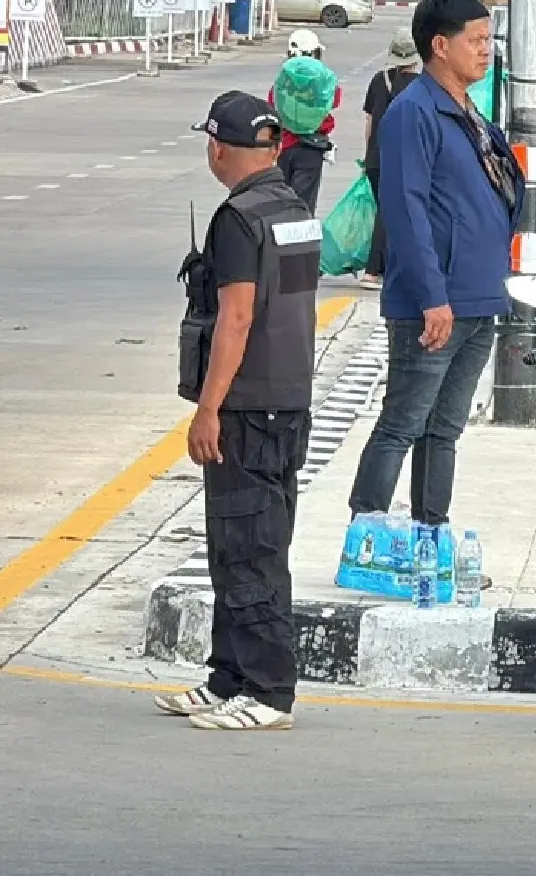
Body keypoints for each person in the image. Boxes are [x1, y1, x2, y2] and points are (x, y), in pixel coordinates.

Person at [153, 91, 319, 732]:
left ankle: (270, 690)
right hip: (287, 401)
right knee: (239, 544)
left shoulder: (239, 217)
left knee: (250, 550)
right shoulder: (292, 205)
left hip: (249, 406)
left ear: (218, 146)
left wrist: (208, 409)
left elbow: (238, 314)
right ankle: (230, 675)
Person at [349, 0, 524, 530]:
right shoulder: (413, 112)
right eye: (475, 41)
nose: (485, 50)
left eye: (488, 39)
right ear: (439, 45)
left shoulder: (471, 113)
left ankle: (431, 533)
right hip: (435, 301)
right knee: (403, 421)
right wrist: (432, 296)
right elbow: (405, 211)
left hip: (479, 296)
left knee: (444, 428)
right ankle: (367, 530)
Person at [359, 28, 423, 288]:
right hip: (402, 161)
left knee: (389, 211)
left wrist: (368, 157)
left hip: (376, 159)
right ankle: (372, 271)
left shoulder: (378, 80)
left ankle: (388, 268)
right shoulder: (421, 86)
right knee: (390, 213)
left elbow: (369, 123)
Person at [270, 30, 340, 212]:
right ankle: (300, 237)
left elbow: (273, 103)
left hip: (283, 146)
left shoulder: (283, 79)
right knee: (304, 203)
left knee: (282, 198)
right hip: (311, 147)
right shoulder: (321, 79)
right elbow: (335, 100)